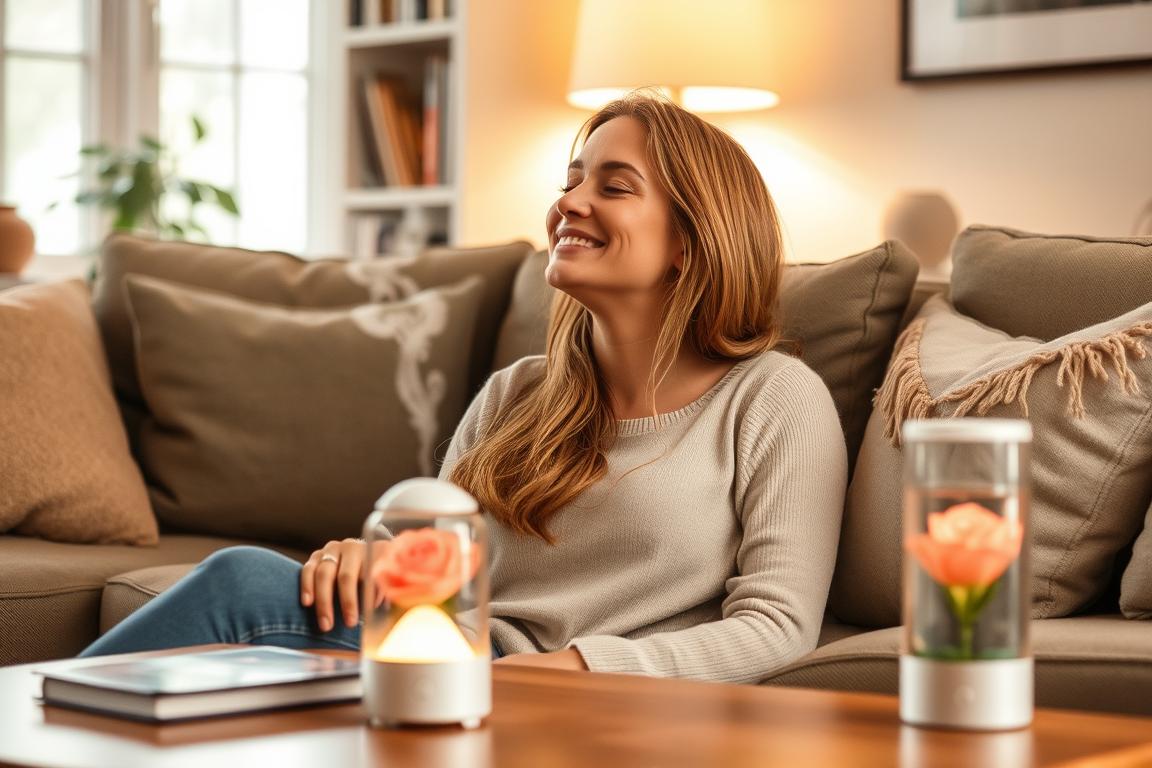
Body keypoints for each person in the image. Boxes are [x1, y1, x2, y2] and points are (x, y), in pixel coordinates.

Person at [81, 93, 848, 683]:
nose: (569, 203)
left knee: (241, 584)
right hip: (447, 662)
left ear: (691, 238)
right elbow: (425, 573)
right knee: (245, 591)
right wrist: (359, 561)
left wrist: (567, 671)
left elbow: (777, 627)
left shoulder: (773, 398)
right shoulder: (519, 393)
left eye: (614, 187)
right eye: (571, 181)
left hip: (558, 689)